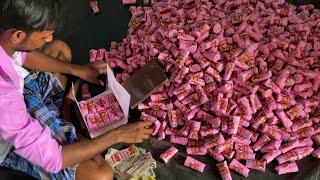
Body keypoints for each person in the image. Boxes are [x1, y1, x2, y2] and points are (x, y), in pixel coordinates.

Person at [0, 0, 153, 179]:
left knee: (60, 49)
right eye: (43, 36)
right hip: (10, 142)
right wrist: (118, 135)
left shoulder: (6, 36)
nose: (48, 39)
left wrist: (77, 69)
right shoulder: (4, 98)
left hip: (17, 93)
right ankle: (65, 110)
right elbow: (54, 159)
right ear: (17, 35)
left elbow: (21, 55)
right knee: (100, 174)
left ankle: (62, 112)